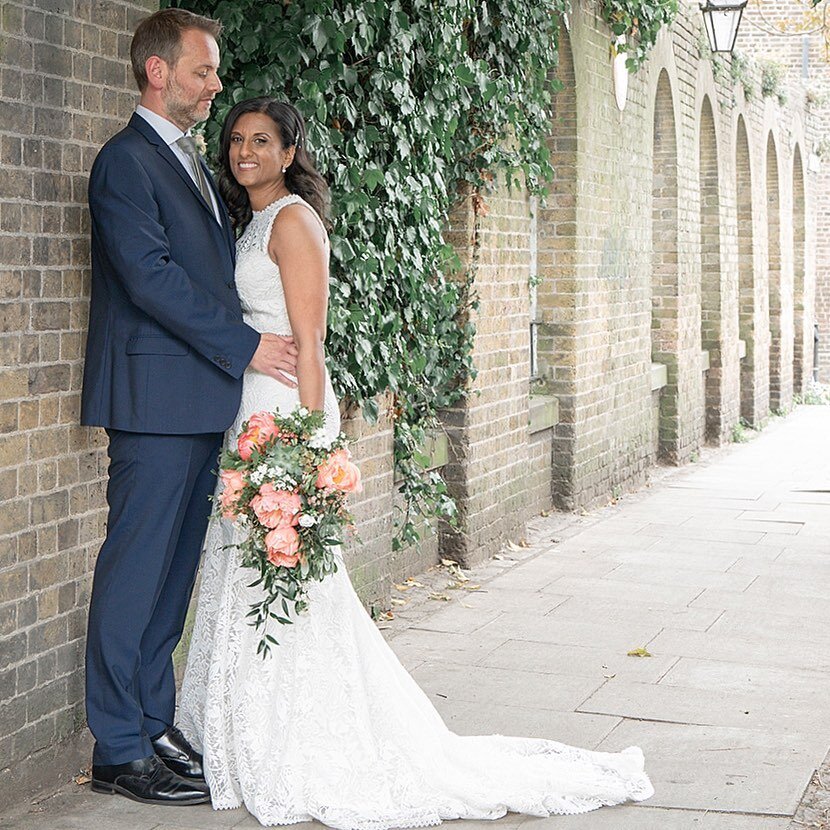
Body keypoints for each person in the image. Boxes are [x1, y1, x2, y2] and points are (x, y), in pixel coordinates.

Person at [177, 96, 654, 828]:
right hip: (254, 409)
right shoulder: (254, 222)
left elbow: (311, 340)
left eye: (261, 141)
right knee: (253, 576)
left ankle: (302, 739)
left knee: (289, 580)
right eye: (237, 140)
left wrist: (307, 446)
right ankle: (252, 732)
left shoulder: (294, 223)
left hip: (285, 416)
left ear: (289, 152)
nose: (245, 152)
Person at [80, 9, 299, 806]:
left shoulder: (193, 165)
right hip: (152, 401)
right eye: (204, 71)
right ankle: (116, 746)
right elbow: (150, 277)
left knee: (172, 579)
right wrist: (246, 344)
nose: (215, 86)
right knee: (134, 574)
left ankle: (152, 722)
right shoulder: (125, 163)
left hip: (202, 402)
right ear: (158, 73)